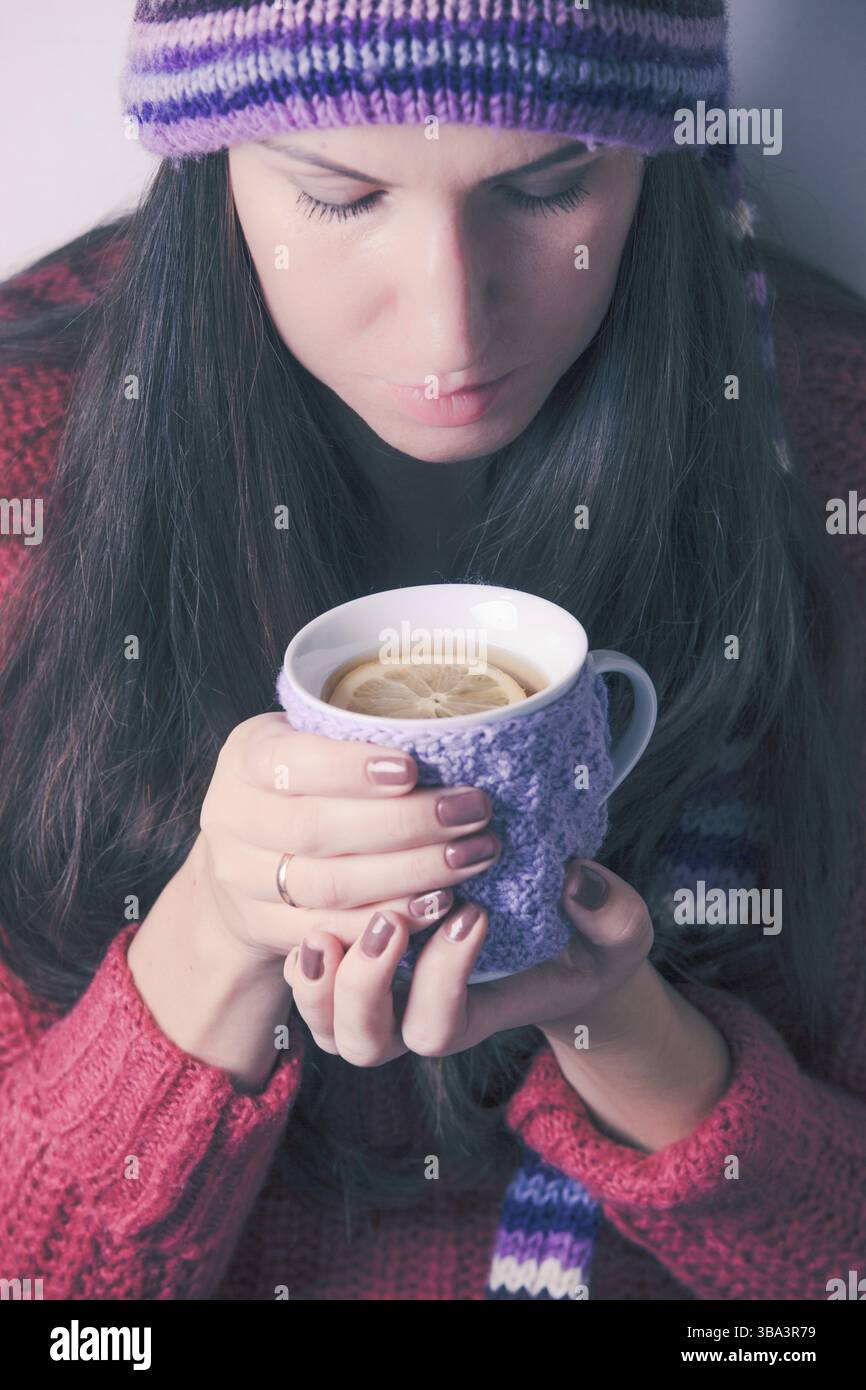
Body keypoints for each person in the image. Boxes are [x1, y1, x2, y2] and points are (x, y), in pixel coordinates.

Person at [1, 0, 865, 1302]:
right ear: (211, 163)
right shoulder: (29, 460)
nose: (450, 331)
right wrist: (218, 930)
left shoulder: (825, 453)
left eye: (545, 183)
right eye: (342, 197)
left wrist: (621, 1023)